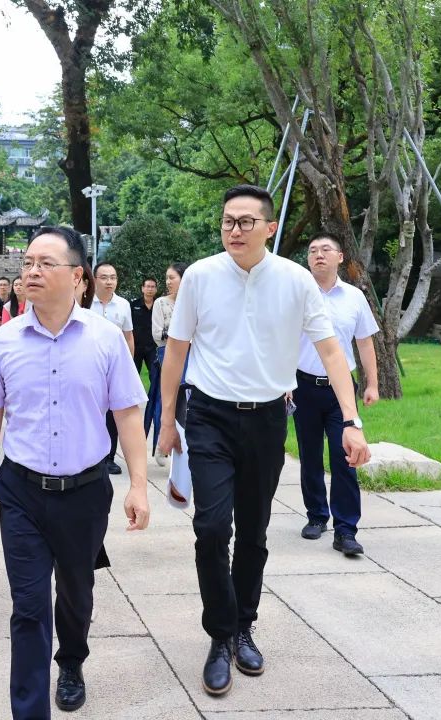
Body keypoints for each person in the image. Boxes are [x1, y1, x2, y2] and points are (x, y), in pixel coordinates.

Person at [157, 185, 371, 698]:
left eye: (246, 222)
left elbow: (332, 351)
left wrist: (351, 419)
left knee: (253, 531)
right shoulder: (200, 276)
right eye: (228, 221)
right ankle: (219, 635)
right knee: (212, 528)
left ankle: (242, 627)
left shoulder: (296, 281)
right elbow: (176, 350)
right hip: (209, 416)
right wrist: (166, 420)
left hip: (268, 418)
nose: (234, 230)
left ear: (270, 228)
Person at [0, 226, 150, 719]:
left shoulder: (105, 339)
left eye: (45, 263)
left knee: (75, 593)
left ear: (77, 277)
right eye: (28, 262)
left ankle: (71, 662)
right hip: (22, 493)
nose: (32, 271)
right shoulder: (4, 341)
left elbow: (128, 414)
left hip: (85, 493)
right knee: (28, 608)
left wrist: (138, 486)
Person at [292, 232, 380, 556]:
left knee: (345, 457)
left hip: (340, 392)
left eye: (325, 249)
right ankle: (317, 515)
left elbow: (365, 342)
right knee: (310, 454)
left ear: (340, 257)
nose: (318, 255)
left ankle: (346, 530)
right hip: (302, 386)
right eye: (313, 250)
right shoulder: (298, 296)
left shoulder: (354, 297)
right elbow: (283, 341)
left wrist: (372, 384)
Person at [90, 262, 135, 476]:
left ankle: (109, 458)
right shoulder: (84, 303)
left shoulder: (123, 305)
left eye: (113, 277)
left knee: (114, 414)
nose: (109, 282)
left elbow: (128, 336)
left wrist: (129, 365)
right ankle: (92, 456)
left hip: (114, 367)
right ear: (94, 280)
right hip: (89, 366)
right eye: (104, 277)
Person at [146, 263, 183, 458]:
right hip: (167, 355)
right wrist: (182, 336)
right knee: (165, 399)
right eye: (167, 278)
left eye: (172, 277)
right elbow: (157, 335)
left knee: (186, 403)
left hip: (191, 356)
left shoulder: (192, 301)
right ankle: (161, 445)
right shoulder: (160, 303)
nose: (168, 282)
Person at [130, 277, 158, 375]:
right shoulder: (133, 305)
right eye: (148, 286)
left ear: (156, 289)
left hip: (153, 346)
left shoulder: (159, 305)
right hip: (136, 346)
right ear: (142, 288)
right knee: (133, 374)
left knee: (155, 374)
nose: (150, 289)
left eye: (153, 287)